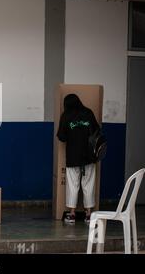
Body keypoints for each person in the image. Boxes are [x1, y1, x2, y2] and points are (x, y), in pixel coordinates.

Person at [57, 94, 100, 224]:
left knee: (72, 184)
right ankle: (88, 214)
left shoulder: (66, 115)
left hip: (73, 156)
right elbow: (97, 131)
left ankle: (72, 214)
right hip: (89, 156)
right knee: (89, 184)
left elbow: (62, 137)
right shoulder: (88, 113)